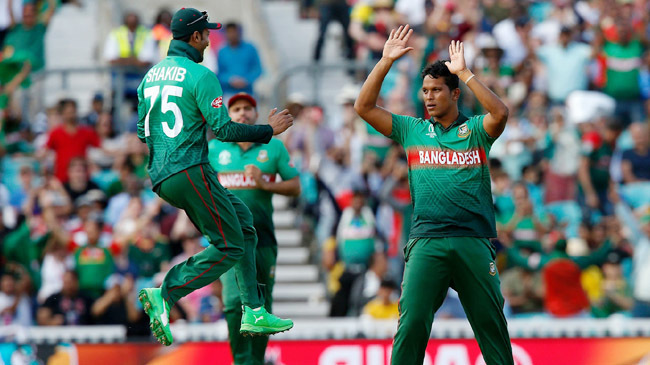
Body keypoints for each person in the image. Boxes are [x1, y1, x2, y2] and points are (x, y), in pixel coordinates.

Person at [354, 25, 513, 364]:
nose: (428, 96)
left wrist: (465, 73)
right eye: (425, 90)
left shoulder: (475, 132)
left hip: (473, 239)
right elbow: (364, 107)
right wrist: (384, 62)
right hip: (427, 240)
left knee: (491, 326)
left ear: (454, 94)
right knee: (411, 325)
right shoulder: (412, 129)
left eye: (437, 90)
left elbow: (500, 113)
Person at [135, 8, 294, 346]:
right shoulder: (200, 74)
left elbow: (142, 131)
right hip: (190, 169)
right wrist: (269, 129)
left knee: (244, 224)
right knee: (230, 245)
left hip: (163, 175)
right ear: (194, 37)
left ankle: (254, 309)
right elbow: (222, 128)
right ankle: (166, 292)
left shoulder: (150, 77)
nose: (210, 39)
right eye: (206, 33)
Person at [208, 92, 301, 365]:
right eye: (236, 109)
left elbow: (295, 186)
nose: (242, 113)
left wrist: (265, 185)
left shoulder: (273, 148)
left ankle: (256, 361)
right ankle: (241, 361)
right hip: (229, 241)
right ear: (229, 115)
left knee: (260, 305)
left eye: (247, 109)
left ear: (255, 114)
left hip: (263, 241)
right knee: (234, 303)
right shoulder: (215, 149)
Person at [217, 22, 262, 99]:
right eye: (229, 32)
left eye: (234, 32)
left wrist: (246, 80)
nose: (232, 35)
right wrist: (230, 80)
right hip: (228, 94)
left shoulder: (250, 48)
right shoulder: (221, 51)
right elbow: (218, 73)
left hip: (248, 93)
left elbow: (258, 69)